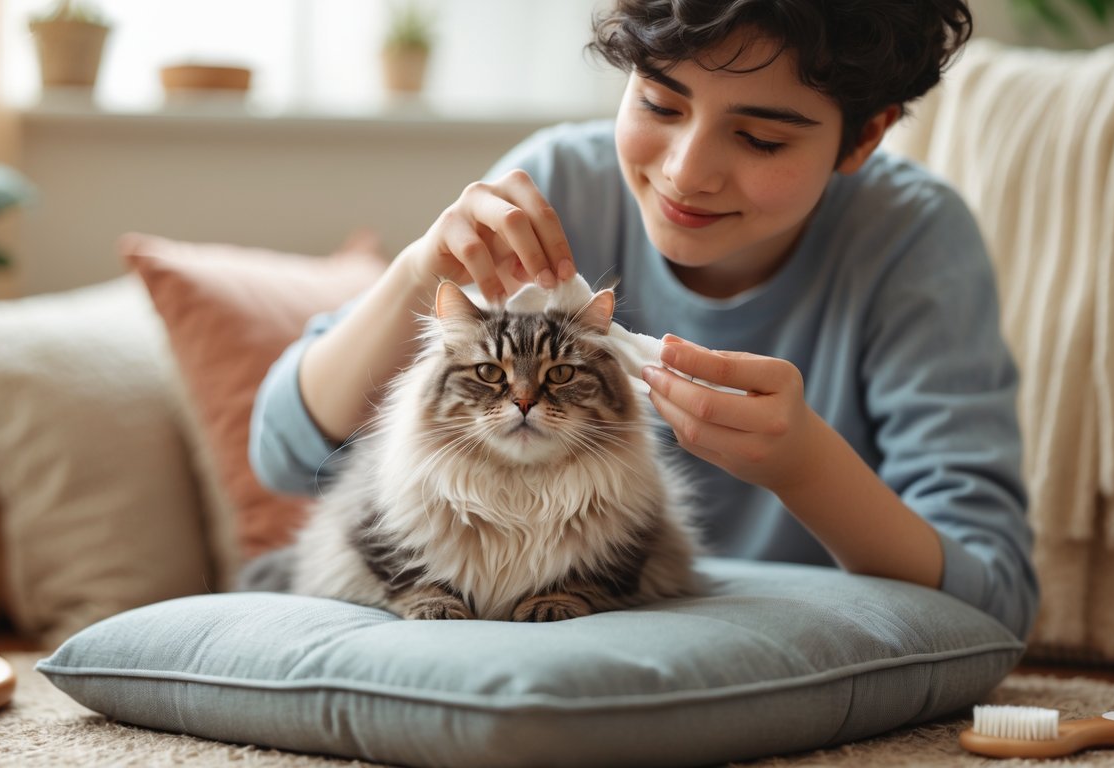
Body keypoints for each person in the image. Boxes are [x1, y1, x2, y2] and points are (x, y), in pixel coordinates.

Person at [249, 0, 1039, 639]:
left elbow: (992, 597)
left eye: (760, 137)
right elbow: (282, 454)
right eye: (659, 102)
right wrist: (415, 273)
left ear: (862, 136)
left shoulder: (914, 240)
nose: (685, 172)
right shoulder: (557, 180)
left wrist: (803, 466)